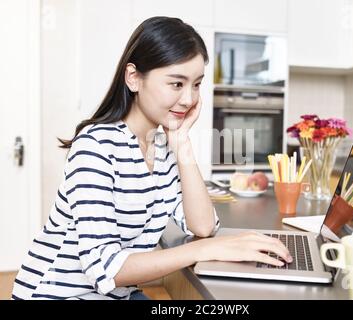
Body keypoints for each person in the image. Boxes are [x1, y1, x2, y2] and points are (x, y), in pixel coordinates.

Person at [12, 16, 292, 300]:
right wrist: (203, 249)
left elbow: (203, 226)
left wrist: (181, 142)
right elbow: (105, 268)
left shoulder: (162, 148)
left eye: (196, 85)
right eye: (176, 84)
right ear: (134, 77)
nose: (188, 99)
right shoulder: (95, 147)